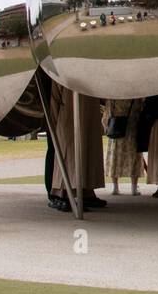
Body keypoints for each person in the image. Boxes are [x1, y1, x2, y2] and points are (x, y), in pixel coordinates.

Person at [46, 81, 107, 212]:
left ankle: (86, 190)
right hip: (68, 112)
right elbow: (55, 98)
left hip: (88, 109)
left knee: (87, 149)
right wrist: (54, 121)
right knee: (68, 151)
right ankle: (61, 192)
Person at [102, 98, 144, 195]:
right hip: (132, 131)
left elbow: (105, 118)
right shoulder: (136, 97)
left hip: (116, 130)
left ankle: (115, 187)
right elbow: (139, 113)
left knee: (115, 159)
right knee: (133, 159)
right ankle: (134, 188)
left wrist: (107, 127)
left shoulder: (112, 99)